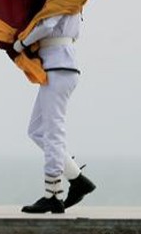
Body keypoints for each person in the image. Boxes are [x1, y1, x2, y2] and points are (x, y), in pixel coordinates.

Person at [13, 12, 96, 214]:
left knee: (53, 132)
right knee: (37, 131)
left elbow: (47, 26)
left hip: (58, 66)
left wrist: (21, 43)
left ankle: (53, 195)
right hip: (58, 66)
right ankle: (78, 180)